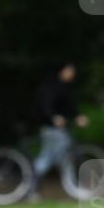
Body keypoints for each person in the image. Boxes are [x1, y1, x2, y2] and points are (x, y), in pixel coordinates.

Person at [29, 62, 89, 199]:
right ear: (61, 71)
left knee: (65, 157)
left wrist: (78, 116)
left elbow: (71, 105)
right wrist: (53, 117)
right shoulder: (50, 87)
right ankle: (31, 188)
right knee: (48, 158)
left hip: (60, 129)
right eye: (69, 71)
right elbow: (45, 105)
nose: (71, 75)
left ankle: (74, 188)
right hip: (50, 128)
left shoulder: (65, 88)